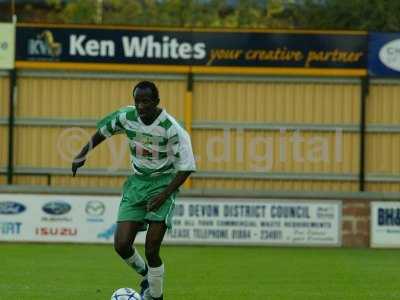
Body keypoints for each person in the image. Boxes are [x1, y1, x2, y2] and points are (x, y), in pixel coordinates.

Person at [71, 81, 196, 300]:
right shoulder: (126, 117)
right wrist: (83, 153)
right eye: (137, 101)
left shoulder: (172, 129)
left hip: (162, 183)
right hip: (137, 183)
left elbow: (186, 168)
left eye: (145, 101)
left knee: (151, 249)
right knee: (121, 244)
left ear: (156, 102)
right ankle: (148, 276)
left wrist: (163, 195)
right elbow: (102, 132)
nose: (140, 106)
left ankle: (155, 296)